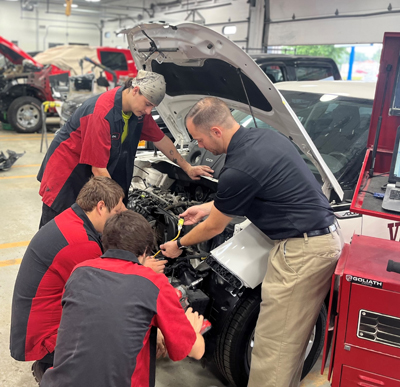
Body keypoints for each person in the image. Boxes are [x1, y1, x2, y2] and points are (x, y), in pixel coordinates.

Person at [159, 97, 344, 387]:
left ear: (217, 131)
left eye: (200, 139)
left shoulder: (240, 167)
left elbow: (213, 228)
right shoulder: (262, 136)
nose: (200, 146)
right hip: (314, 240)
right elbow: (249, 194)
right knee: (290, 343)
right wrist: (205, 207)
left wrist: (179, 244)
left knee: (273, 345)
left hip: (303, 250)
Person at [10, 176, 166, 383]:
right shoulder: (82, 243)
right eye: (118, 211)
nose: (122, 215)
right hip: (45, 339)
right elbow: (110, 295)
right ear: (101, 207)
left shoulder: (73, 217)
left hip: (38, 323)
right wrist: (142, 269)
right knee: (121, 324)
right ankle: (51, 365)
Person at [40, 210, 205, 387]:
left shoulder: (80, 271)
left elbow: (103, 316)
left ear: (103, 242)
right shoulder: (155, 283)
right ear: (146, 251)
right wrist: (193, 331)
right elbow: (195, 352)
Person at [37, 70, 213, 227]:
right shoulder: (101, 113)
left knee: (89, 231)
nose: (148, 111)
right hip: (66, 176)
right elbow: (98, 169)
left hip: (92, 178)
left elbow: (161, 140)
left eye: (152, 107)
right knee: (60, 231)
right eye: (147, 104)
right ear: (135, 90)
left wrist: (187, 167)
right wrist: (119, 205)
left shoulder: (139, 113)